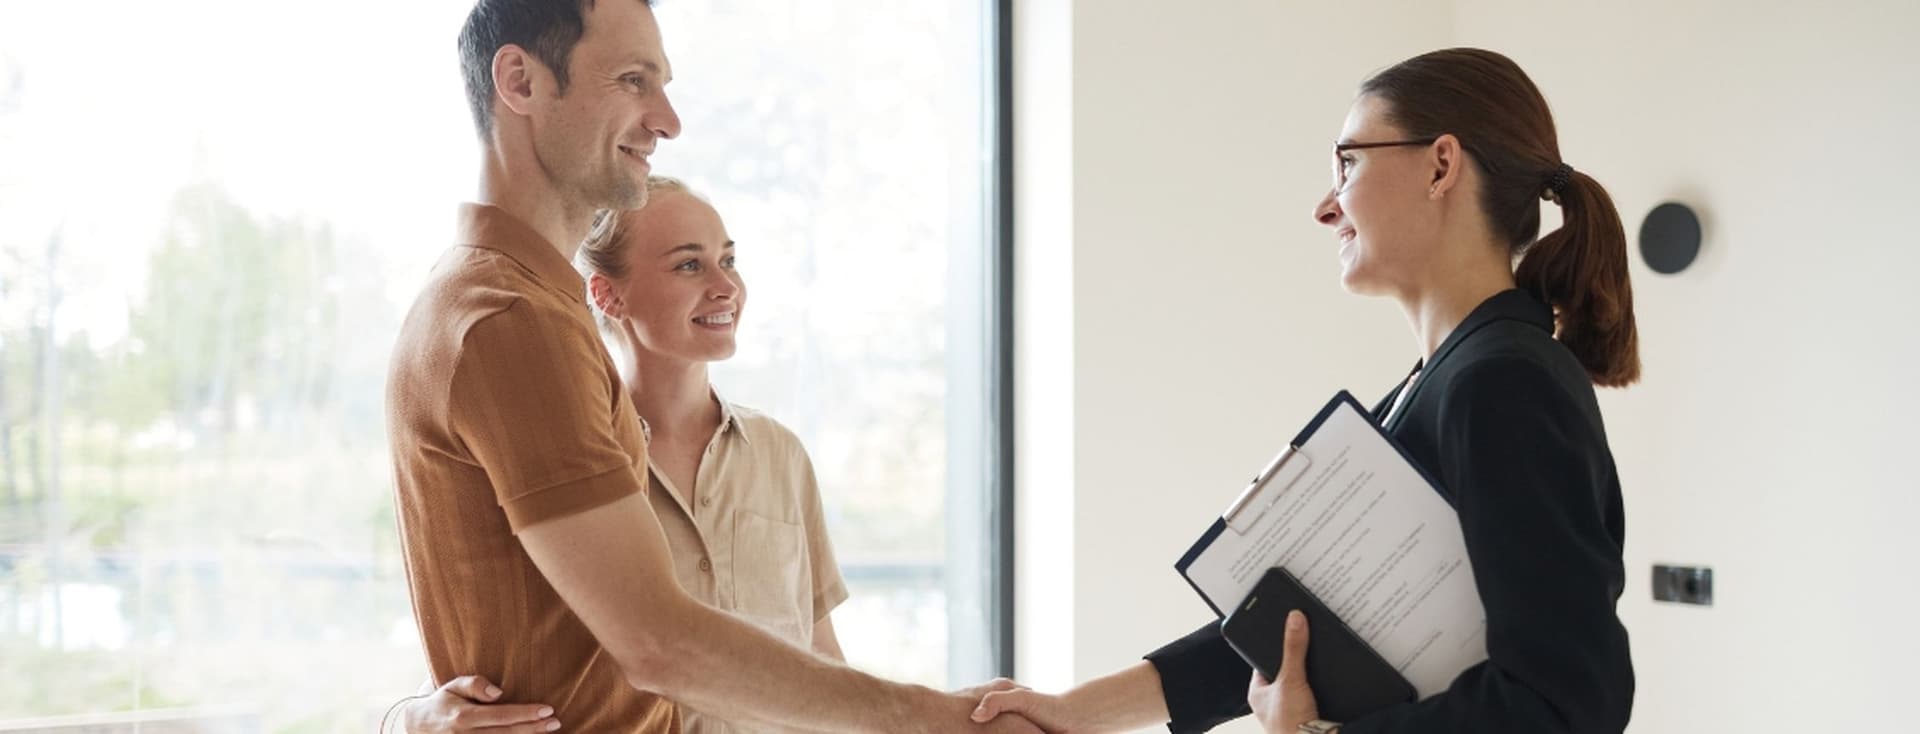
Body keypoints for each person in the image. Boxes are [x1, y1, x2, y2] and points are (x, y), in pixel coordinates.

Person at [386, 1, 1035, 731]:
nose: (668, 120)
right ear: (521, 81)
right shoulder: (511, 320)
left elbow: (520, 626)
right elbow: (659, 643)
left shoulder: (516, 306)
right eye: (634, 81)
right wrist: (931, 717)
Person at [969, 47, 1638, 734]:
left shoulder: (1504, 382)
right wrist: (1070, 714)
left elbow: (1566, 704)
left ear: (1441, 165)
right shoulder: (1446, 380)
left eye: (1347, 164)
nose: (1326, 207)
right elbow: (1298, 629)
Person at [401, 177, 850, 734]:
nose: (725, 287)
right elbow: (496, 650)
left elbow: (821, 652)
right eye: (689, 265)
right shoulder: (567, 454)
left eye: (728, 260)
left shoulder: (781, 455)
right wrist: (406, 720)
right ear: (608, 295)